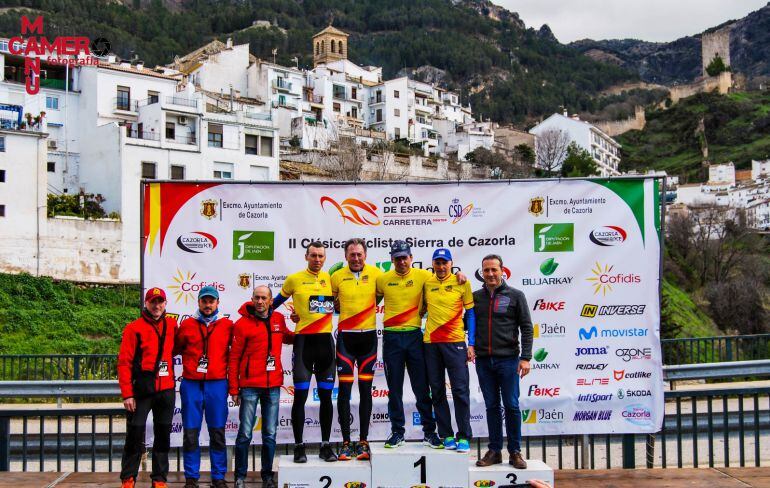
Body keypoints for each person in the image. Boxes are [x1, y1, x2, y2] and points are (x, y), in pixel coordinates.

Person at [271, 241, 337, 462]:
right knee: (300, 397)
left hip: (326, 343)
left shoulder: (330, 279)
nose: (317, 259)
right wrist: (287, 318)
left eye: (321, 256)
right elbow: (273, 305)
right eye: (313, 256)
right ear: (306, 257)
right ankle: (299, 446)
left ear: (324, 258)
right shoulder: (294, 279)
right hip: (303, 344)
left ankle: (326, 445)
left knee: (326, 398)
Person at [375, 240, 443, 449]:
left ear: (411, 258)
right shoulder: (383, 279)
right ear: (392, 260)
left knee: (421, 388)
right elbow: (367, 302)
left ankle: (430, 432)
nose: (401, 262)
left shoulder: (424, 276)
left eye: (405, 257)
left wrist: (461, 276)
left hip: (415, 337)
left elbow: (443, 282)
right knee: (394, 390)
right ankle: (397, 432)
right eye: (397, 258)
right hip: (392, 338)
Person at [229, 285, 294, 488]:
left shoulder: (278, 319)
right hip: (249, 386)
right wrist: (233, 389)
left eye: (264, 298)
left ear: (270, 300)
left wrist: (304, 324)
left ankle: (267, 476)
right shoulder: (241, 324)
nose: (260, 301)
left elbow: (289, 337)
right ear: (252, 298)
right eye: (256, 297)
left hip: (272, 385)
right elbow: (234, 358)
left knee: (270, 434)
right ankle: (240, 476)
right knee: (245, 434)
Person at [472, 254, 532, 469]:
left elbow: (526, 327)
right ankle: (494, 451)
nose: (490, 274)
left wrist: (525, 357)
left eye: (493, 270)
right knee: (491, 406)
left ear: (502, 270)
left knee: (512, 406)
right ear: (482, 272)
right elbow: (466, 325)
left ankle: (515, 452)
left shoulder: (516, 295)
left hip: (508, 360)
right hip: (483, 361)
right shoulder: (475, 298)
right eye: (486, 270)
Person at [118, 287, 177, 488]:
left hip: (166, 389)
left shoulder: (172, 325)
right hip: (142, 390)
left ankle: (159, 479)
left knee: (163, 435)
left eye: (160, 302)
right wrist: (127, 394)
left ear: (165, 304)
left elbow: (184, 346)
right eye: (153, 301)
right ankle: (128, 478)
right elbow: (124, 362)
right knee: (134, 434)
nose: (157, 305)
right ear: (146, 303)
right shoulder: (133, 328)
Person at [175, 286, 234, 488]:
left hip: (217, 384)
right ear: (198, 302)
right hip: (191, 384)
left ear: (217, 303)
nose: (207, 305)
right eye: (204, 301)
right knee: (191, 433)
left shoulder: (228, 325)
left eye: (211, 301)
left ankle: (218, 477)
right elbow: (175, 348)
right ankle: (191, 477)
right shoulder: (187, 325)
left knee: (217, 432)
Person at [330, 238, 380, 461]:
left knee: (366, 391)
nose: (356, 258)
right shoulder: (336, 277)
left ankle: (363, 441)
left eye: (360, 254)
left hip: (369, 339)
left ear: (365, 255)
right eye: (352, 255)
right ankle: (346, 443)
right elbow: (322, 302)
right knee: (345, 392)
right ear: (346, 256)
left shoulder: (377, 274)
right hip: (346, 341)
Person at [422, 248, 475, 453]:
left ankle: (464, 436)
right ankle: (446, 435)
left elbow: (470, 314)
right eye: (438, 263)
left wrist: (471, 343)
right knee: (437, 391)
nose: (441, 267)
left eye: (445, 263)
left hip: (455, 343)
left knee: (461, 391)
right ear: (433, 264)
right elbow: (421, 309)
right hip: (431, 343)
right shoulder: (427, 283)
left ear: (451, 264)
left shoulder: (463, 282)